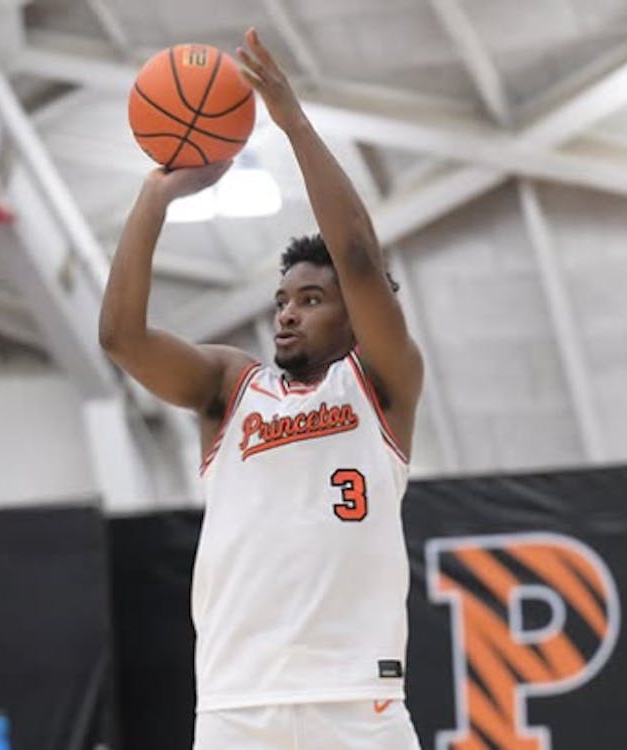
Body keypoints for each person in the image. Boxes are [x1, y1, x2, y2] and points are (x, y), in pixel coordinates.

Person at [99, 27, 424, 750]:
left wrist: (291, 122)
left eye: (311, 299)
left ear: (354, 313)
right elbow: (121, 337)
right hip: (238, 704)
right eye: (282, 300)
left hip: (357, 701)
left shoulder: (381, 383)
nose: (287, 312)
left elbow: (358, 256)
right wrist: (156, 195)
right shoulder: (229, 387)